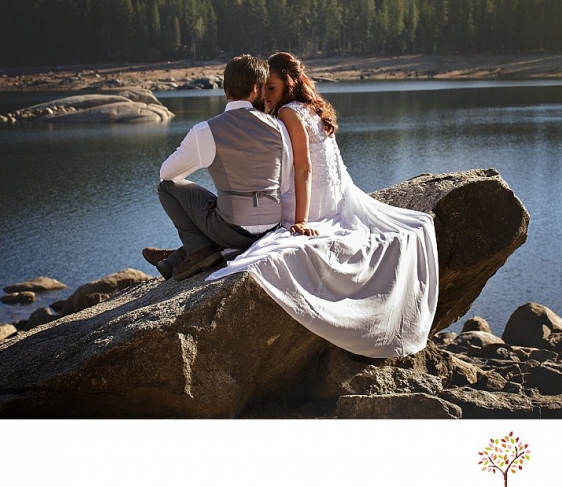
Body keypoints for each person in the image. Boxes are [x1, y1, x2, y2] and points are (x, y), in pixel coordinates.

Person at [207, 52, 439, 359]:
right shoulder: (310, 108)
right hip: (331, 200)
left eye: (272, 88)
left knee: (242, 214)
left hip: (310, 204)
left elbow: (304, 168)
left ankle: (190, 252)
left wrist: (300, 219)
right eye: (263, 89)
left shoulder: (288, 113)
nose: (266, 96)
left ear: (289, 84)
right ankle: (187, 252)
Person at [142, 54, 293, 282]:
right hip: (272, 227)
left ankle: (198, 251)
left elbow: (167, 174)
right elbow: (285, 182)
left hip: (234, 232)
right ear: (256, 88)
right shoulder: (278, 127)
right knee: (221, 204)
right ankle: (173, 260)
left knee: (166, 188)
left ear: (226, 88)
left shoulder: (206, 130)